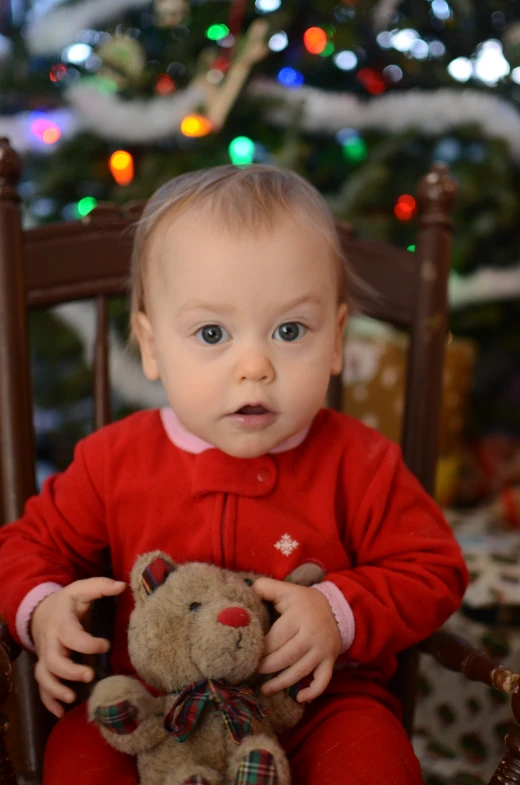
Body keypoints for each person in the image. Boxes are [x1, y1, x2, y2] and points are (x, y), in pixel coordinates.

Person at [0, 164, 468, 785]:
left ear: (335, 341)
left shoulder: (363, 462)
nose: (255, 365)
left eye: (290, 330)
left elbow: (434, 569)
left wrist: (339, 611)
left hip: (313, 706)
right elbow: (25, 546)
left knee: (373, 759)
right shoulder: (112, 460)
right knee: (80, 755)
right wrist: (42, 609)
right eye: (212, 333)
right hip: (150, 711)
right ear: (151, 345)